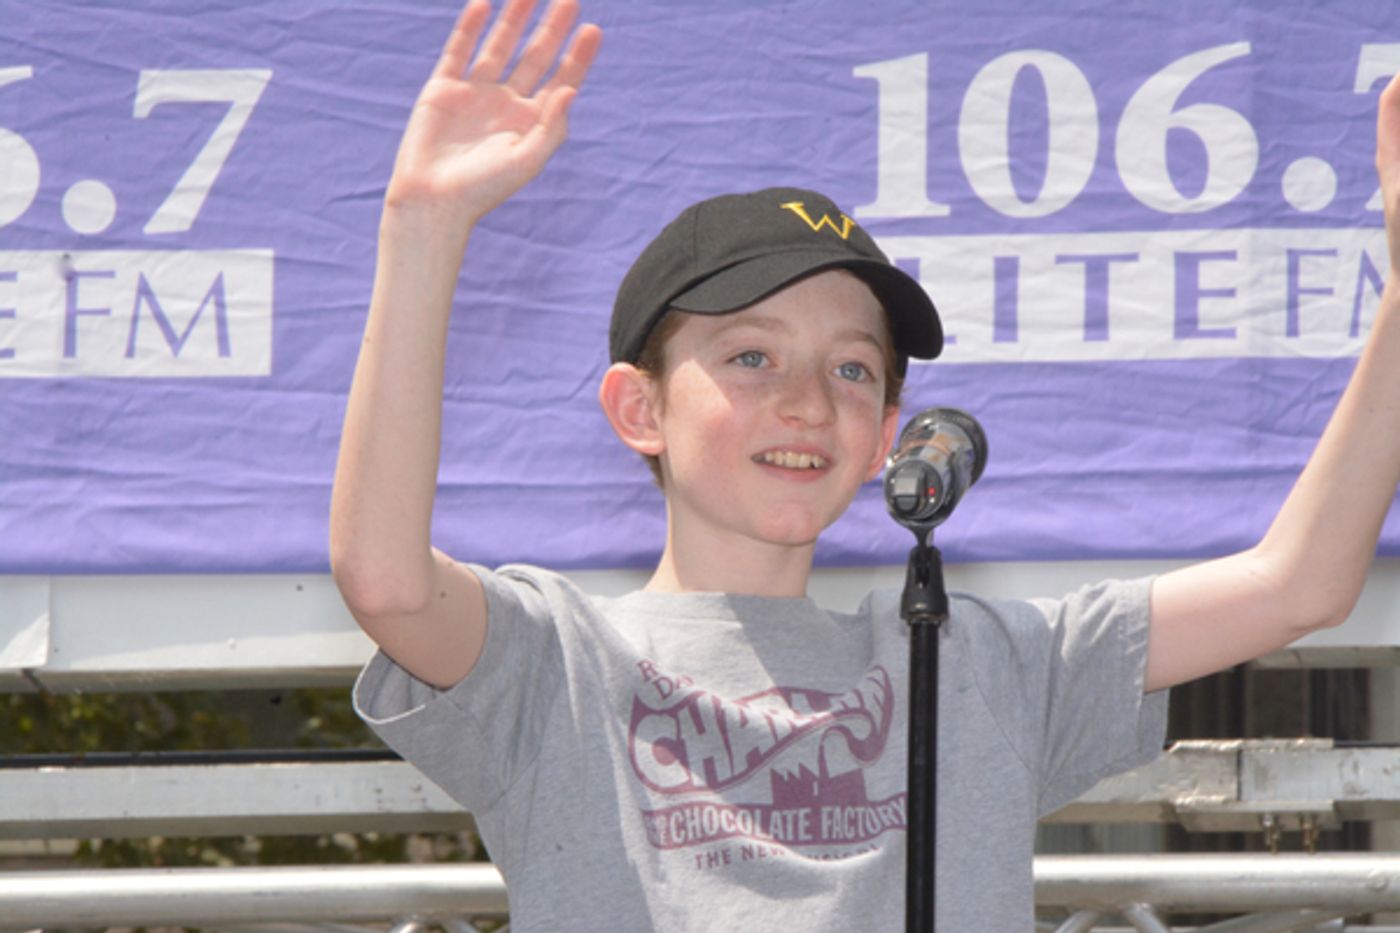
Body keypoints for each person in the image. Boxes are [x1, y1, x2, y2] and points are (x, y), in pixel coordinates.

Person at [331, 0, 1400, 928]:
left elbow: (1294, 581)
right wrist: (422, 228)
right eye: (749, 356)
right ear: (637, 406)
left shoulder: (971, 662)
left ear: (887, 432)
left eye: (851, 370)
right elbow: (385, 578)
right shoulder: (553, 659)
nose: (803, 400)